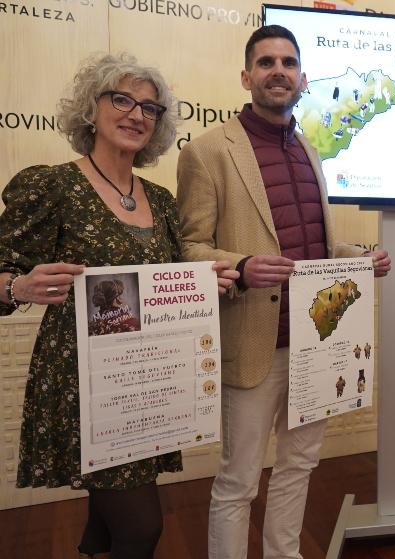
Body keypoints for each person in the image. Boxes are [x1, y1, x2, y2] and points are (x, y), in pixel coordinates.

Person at [0, 53, 238, 559]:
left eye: (149, 108)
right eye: (122, 100)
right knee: (141, 527)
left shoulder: (162, 199)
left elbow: (167, 283)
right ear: (91, 109)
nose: (136, 115)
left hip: (146, 378)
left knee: (109, 514)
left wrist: (204, 283)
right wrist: (17, 287)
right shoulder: (53, 186)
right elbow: (4, 271)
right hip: (84, 382)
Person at [176, 25, 391, 559]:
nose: (279, 71)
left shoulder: (309, 151)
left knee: (299, 466)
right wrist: (241, 267)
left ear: (303, 79)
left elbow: (316, 245)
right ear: (246, 76)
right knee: (238, 481)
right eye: (266, 62)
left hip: (318, 342)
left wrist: (357, 259)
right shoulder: (208, 152)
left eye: (288, 63)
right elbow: (189, 248)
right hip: (255, 344)